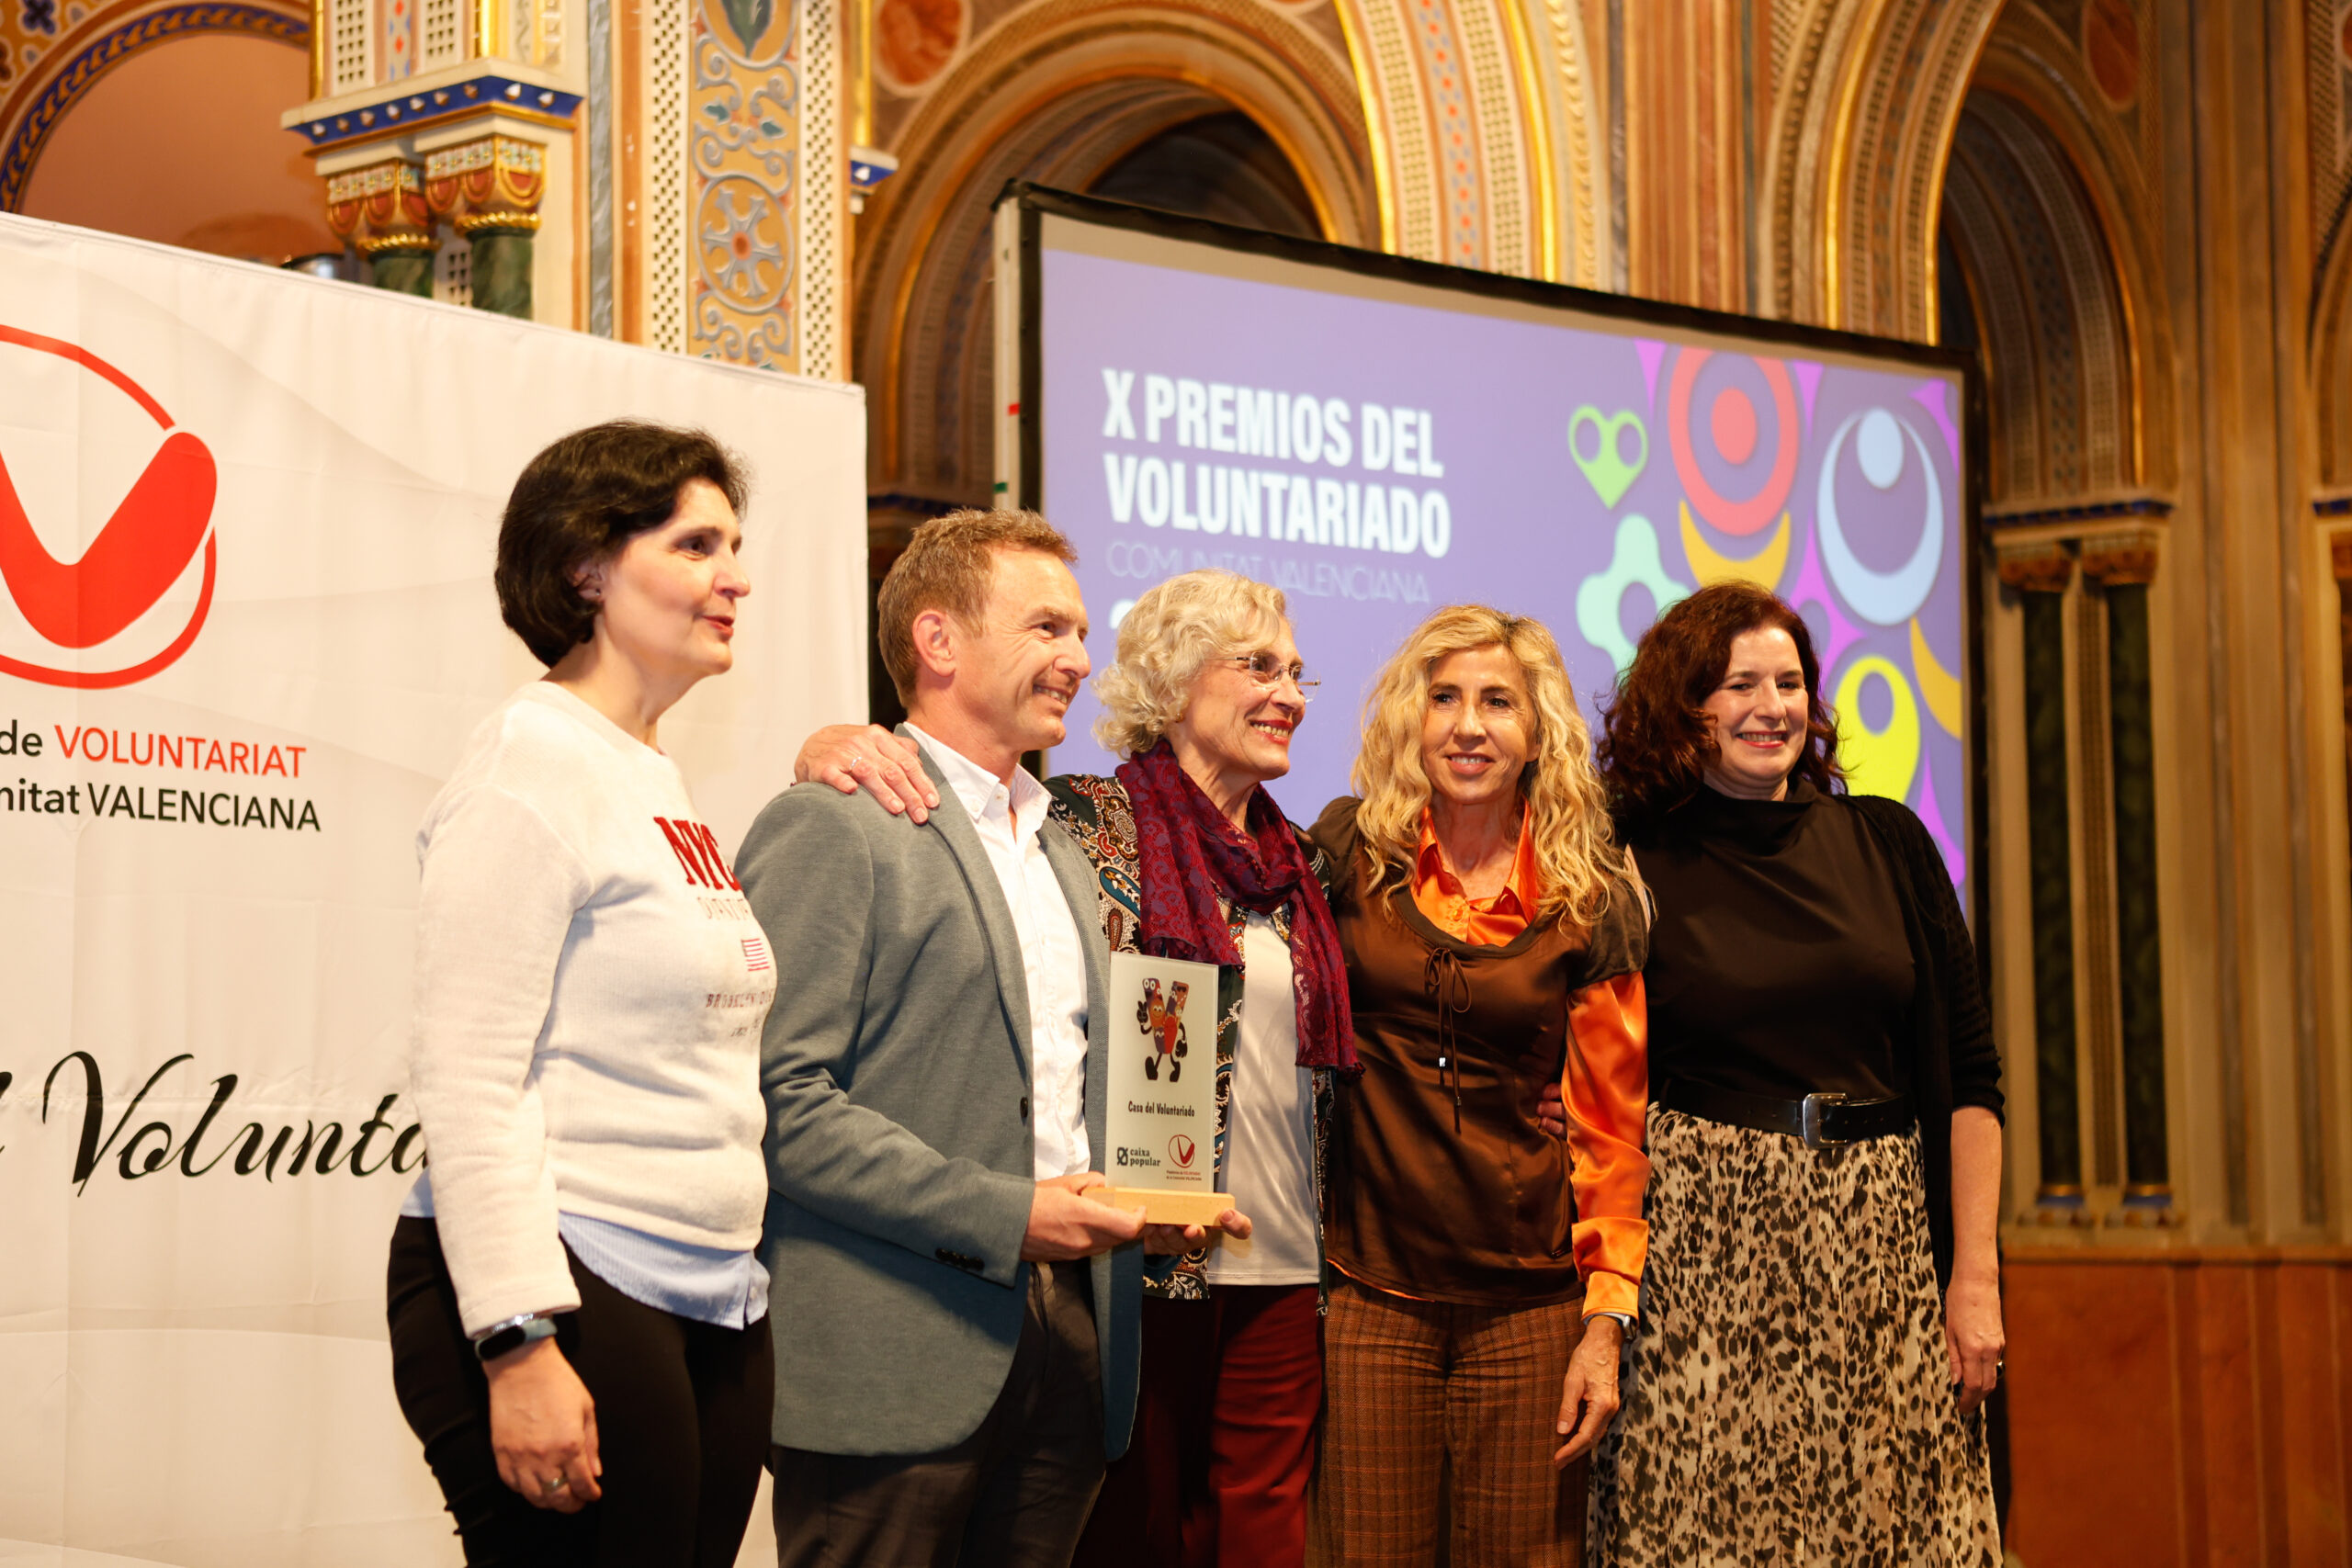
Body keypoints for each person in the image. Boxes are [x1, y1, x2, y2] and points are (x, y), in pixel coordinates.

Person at [388, 420, 776, 1566]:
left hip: (710, 1287)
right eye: (698, 544)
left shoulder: (647, 770)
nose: (734, 577)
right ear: (588, 566)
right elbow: (468, 1077)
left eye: (735, 545)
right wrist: (515, 1340)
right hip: (565, 1280)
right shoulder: (530, 761)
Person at [734, 508, 1154, 1568]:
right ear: (937, 643)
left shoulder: (1063, 842)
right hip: (892, 1362)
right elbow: (781, 1103)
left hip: (1065, 1346)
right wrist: (1009, 1215)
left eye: (1080, 632)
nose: (1079, 659)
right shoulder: (835, 819)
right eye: (1048, 629)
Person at [1587, 580, 2004, 1566]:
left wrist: (1974, 1276)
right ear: (1681, 705)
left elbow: (1974, 1078)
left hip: (1886, 1250)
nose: (1770, 707)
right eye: (1738, 684)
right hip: (1703, 1261)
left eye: (1789, 683)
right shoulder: (1625, 862)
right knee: (1709, 1536)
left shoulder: (1888, 843)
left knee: (1897, 1533)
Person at [1308, 605, 1649, 1568]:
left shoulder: (1589, 895)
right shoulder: (1349, 854)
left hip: (1531, 1307)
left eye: (1497, 701)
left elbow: (1613, 1134)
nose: (1467, 725)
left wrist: (1603, 1326)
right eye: (1444, 698)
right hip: (1373, 1295)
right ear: (1409, 721)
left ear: (1536, 728)